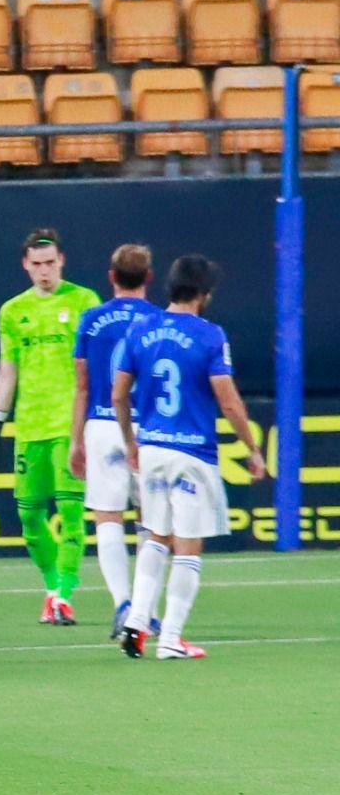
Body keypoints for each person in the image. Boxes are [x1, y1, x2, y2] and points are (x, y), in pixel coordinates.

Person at [113, 255, 266, 660]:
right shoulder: (210, 335)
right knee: (187, 545)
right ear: (204, 293)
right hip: (192, 452)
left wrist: (131, 442)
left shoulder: (139, 329)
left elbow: (118, 394)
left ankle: (136, 621)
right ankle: (170, 638)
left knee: (156, 536)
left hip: (152, 447)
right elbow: (228, 401)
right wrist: (252, 449)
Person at [0, 228, 102, 625]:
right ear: (25, 264)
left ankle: (63, 595)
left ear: (62, 261)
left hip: (70, 425)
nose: (44, 271)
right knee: (29, 519)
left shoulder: (84, 301)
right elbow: (7, 371)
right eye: (37, 264)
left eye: (50, 263)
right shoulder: (12, 311)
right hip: (30, 427)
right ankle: (52, 587)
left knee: (71, 512)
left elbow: (96, 365)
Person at [69, 244, 166, 639]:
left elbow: (81, 385)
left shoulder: (91, 320)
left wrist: (76, 440)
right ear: (149, 277)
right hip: (146, 428)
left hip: (102, 425)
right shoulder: (159, 321)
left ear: (111, 276)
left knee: (107, 516)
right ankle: (145, 612)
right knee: (151, 521)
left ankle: (122, 602)